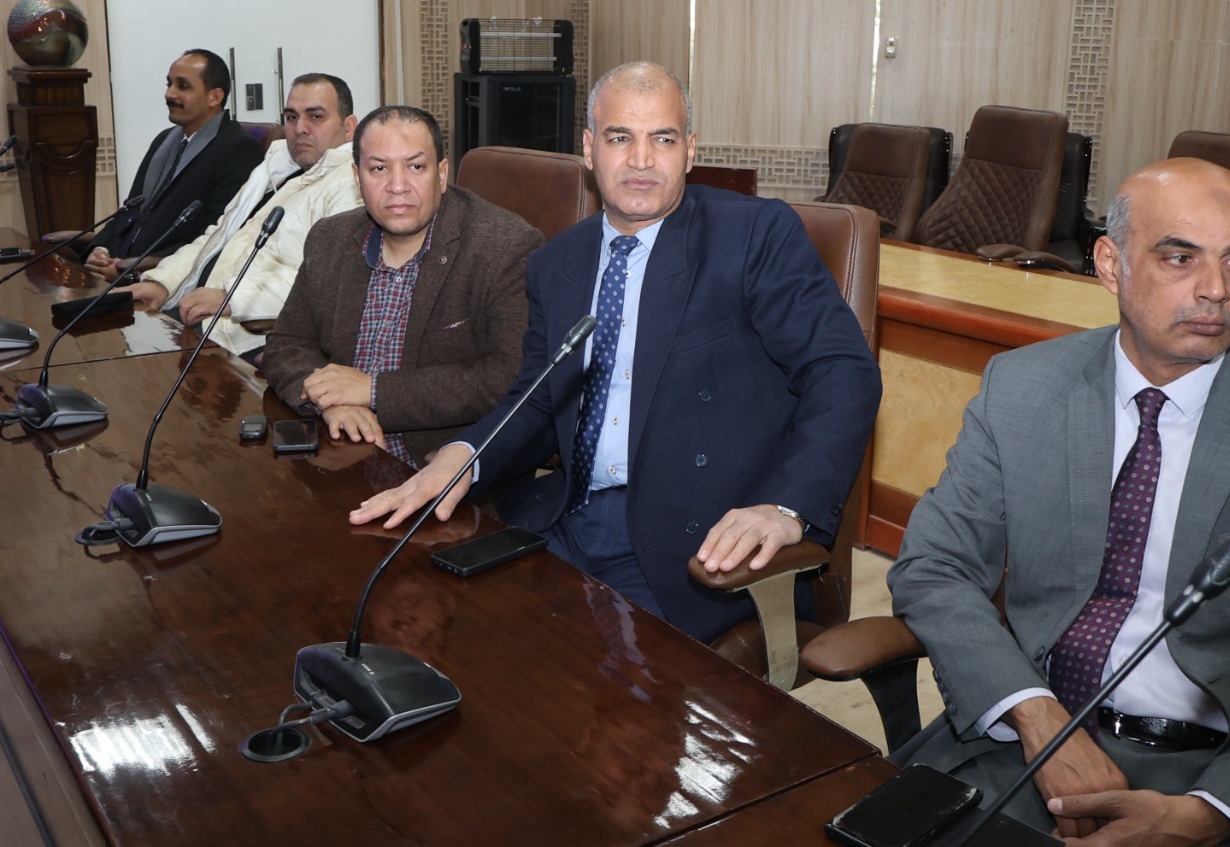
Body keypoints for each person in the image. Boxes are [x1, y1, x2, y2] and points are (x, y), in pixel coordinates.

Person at [889, 158, 1230, 845]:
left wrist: (1210, 815)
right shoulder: (1021, 387)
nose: (1217, 290)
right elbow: (935, 566)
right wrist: (1035, 715)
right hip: (1027, 747)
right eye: (1180, 258)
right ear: (1111, 265)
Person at [350, 62, 882, 643]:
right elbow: (538, 397)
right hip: (569, 517)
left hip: (693, 542)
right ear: (589, 149)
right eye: (620, 137)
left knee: (586, 685)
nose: (641, 160)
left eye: (663, 139)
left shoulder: (751, 235)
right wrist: (465, 455)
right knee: (437, 626)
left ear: (690, 151)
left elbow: (842, 371)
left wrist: (785, 507)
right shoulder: (556, 263)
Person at [261, 105, 543, 467]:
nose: (397, 187)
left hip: (435, 465)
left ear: (442, 174)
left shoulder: (503, 246)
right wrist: (330, 401)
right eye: (379, 169)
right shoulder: (330, 238)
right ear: (357, 177)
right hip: (336, 451)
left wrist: (373, 391)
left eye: (416, 167)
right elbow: (287, 342)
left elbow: (510, 376)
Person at [117, 73, 362, 357]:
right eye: (292, 117)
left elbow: (326, 282)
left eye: (315, 117)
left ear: (349, 127)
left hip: (244, 333)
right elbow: (217, 236)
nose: (300, 128)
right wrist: (162, 283)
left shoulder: (351, 184)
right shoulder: (276, 168)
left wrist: (230, 298)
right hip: (195, 311)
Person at [83, 49, 262, 280]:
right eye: (169, 84)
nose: (169, 94)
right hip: (118, 268)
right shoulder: (165, 140)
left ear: (214, 97)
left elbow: (218, 237)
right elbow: (130, 211)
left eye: (183, 86)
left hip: (162, 279)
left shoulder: (237, 149)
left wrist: (130, 271)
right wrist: (100, 250)